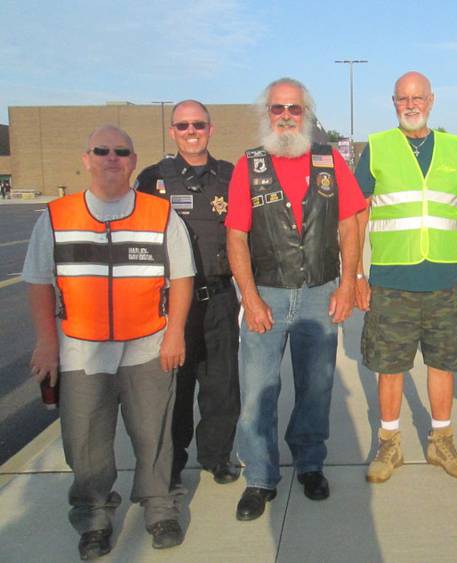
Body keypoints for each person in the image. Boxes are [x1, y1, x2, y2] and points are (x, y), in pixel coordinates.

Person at [24, 125, 194, 559]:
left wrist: (175, 332)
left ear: (134, 161)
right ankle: (94, 518)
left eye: (121, 151)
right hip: (81, 349)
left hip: (147, 346)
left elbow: (182, 277)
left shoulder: (160, 214)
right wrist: (46, 343)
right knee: (85, 442)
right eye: (102, 151)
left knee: (154, 436)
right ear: (87, 159)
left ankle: (160, 509)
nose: (112, 158)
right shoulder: (56, 216)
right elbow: (39, 282)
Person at [226, 78, 365, 520]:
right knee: (258, 392)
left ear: (306, 113)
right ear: (265, 113)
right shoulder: (248, 166)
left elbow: (349, 225)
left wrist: (347, 284)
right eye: (277, 108)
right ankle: (260, 477)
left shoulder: (329, 162)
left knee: (316, 387)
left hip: (319, 293)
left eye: (294, 108)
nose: (285, 116)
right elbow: (236, 236)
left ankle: (309, 464)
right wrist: (251, 298)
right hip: (266, 292)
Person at [355, 71, 457, 483]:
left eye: (418, 98)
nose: (411, 105)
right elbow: (357, 215)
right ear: (394, 102)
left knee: (443, 364)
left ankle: (441, 442)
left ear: (432, 100)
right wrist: (356, 273)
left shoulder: (454, 147)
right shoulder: (377, 147)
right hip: (392, 281)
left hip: (444, 281)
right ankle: (389, 444)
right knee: (390, 367)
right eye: (403, 98)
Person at [136, 100, 240, 488]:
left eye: (198, 124)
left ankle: (217, 456)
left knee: (221, 384)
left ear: (210, 129)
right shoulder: (153, 179)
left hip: (219, 296)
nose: (191, 131)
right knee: (174, 388)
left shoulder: (231, 176)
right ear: (172, 131)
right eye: (183, 126)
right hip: (171, 304)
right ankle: (173, 462)